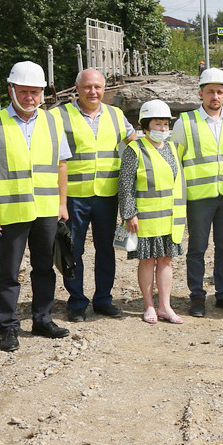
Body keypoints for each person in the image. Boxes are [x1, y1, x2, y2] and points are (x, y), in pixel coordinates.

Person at [0, 61, 72, 351]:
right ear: (11, 90)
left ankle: (42, 319)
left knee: (44, 268)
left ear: (43, 93)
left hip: (45, 209)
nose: (30, 97)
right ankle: (7, 328)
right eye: (25, 91)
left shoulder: (53, 121)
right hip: (9, 211)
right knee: (8, 272)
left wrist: (62, 203)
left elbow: (61, 166)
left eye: (36, 92)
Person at [52, 68, 135, 323]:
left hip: (106, 195)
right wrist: (58, 201)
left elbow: (134, 142)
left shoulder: (116, 115)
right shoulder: (58, 116)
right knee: (72, 251)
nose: (93, 92)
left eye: (98, 87)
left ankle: (103, 300)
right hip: (74, 197)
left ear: (104, 89)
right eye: (87, 87)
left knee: (106, 250)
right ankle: (76, 302)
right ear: (77, 88)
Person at [172, 68, 223, 317]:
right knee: (197, 248)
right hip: (198, 196)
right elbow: (174, 160)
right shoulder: (185, 122)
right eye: (210, 91)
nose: (215, 96)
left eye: (219, 91)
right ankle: (197, 297)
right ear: (200, 93)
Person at [119, 100, 187, 324]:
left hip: (169, 218)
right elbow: (126, 185)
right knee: (147, 261)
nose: (164, 129)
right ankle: (149, 305)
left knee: (167, 261)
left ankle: (165, 306)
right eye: (158, 124)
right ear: (146, 126)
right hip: (145, 219)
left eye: (166, 125)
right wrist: (129, 214)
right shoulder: (134, 149)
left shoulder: (173, 149)